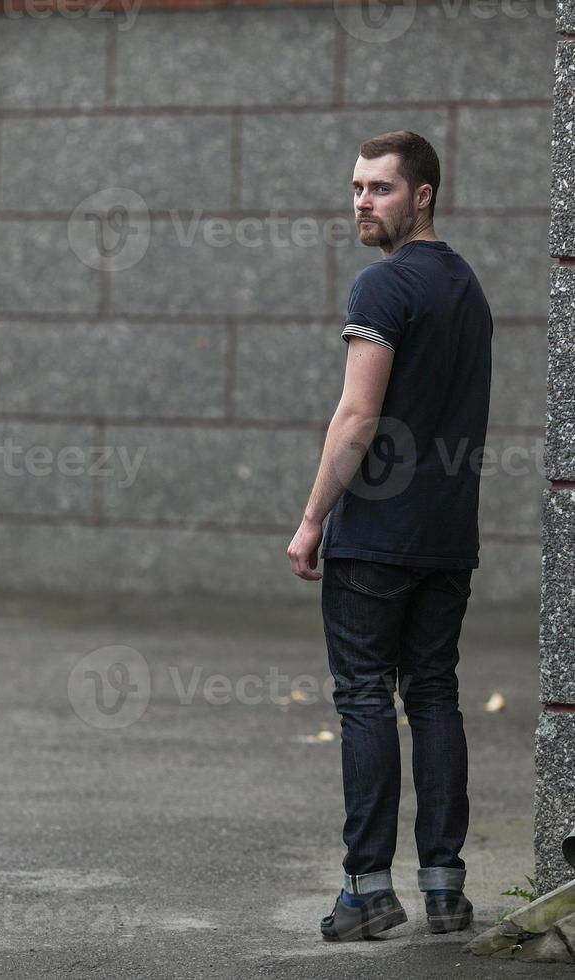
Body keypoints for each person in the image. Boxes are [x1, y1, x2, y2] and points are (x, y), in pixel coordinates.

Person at [286, 130, 492, 942]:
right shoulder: (467, 288)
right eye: (357, 187)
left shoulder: (383, 287)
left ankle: (368, 891)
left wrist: (312, 521)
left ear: (423, 195)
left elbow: (358, 415)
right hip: (447, 538)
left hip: (376, 537)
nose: (361, 202)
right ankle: (445, 888)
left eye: (379, 188)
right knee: (434, 693)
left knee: (366, 696)